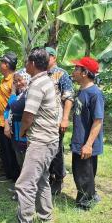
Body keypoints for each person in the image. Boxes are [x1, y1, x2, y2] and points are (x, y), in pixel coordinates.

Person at [4, 48, 59, 223]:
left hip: (41, 141)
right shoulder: (47, 80)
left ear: (33, 64)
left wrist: (23, 131)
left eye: (27, 63)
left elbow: (28, 115)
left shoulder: (36, 85)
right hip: (50, 140)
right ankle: (46, 216)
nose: (25, 67)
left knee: (24, 183)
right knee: (42, 179)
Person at [70, 57, 104, 210]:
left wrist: (88, 144)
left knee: (83, 174)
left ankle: (85, 203)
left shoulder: (94, 93)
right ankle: (92, 195)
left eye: (77, 69)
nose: (74, 71)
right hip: (79, 139)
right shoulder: (82, 90)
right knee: (82, 172)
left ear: (84, 73)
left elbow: (98, 121)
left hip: (86, 142)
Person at [45, 47, 74, 196]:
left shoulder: (61, 74)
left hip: (56, 120)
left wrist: (65, 118)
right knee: (45, 150)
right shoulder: (41, 73)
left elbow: (68, 97)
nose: (45, 58)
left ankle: (58, 178)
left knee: (56, 150)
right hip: (43, 121)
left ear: (54, 58)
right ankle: (48, 176)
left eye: (48, 56)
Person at [0, 52, 20, 182]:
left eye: (1, 62)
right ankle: (8, 173)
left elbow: (13, 103)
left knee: (10, 150)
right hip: (0, 121)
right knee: (4, 149)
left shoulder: (14, 80)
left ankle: (15, 175)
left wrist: (7, 122)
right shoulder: (5, 78)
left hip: (8, 122)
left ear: (6, 65)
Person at [4, 69, 31, 168]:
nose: (18, 83)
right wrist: (6, 125)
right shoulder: (18, 95)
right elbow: (7, 109)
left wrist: (13, 91)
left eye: (20, 80)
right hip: (16, 131)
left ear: (27, 78)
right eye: (15, 82)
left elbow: (14, 107)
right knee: (20, 159)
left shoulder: (28, 94)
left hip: (26, 131)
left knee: (28, 160)